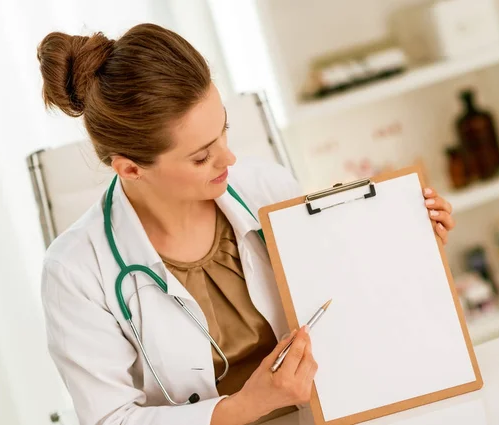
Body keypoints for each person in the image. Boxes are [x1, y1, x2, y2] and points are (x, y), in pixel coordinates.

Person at [37, 23, 456, 425]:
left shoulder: (265, 187)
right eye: (201, 157)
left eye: (224, 131)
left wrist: (407, 242)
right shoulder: (75, 271)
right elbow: (113, 420)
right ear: (130, 170)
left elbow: (340, 303)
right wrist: (246, 407)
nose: (229, 159)